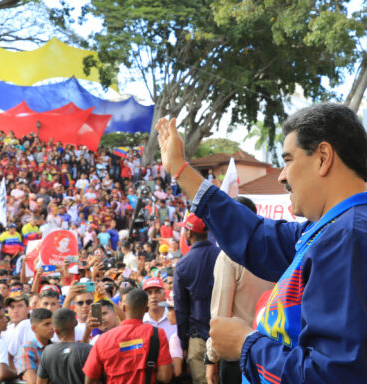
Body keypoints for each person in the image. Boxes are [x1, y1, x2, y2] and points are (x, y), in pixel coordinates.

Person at [155, 103, 367, 383]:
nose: (281, 175)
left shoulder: (347, 237)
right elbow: (255, 236)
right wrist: (181, 169)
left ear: (323, 157)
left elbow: (333, 375)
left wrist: (246, 344)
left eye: (288, 160)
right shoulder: (329, 230)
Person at [205, 197, 275, 384]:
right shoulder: (274, 251)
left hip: (239, 353)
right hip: (270, 352)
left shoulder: (228, 256)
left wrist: (211, 357)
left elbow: (220, 315)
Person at [83, 288, 173, 384]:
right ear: (146, 309)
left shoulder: (103, 340)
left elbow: (90, 380)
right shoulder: (157, 334)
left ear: (124, 308)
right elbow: (165, 377)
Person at [173, 212, 220, 384]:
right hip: (224, 336)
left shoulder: (183, 265)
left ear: (189, 233)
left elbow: (180, 309)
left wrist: (184, 344)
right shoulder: (222, 256)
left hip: (198, 339)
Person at [37, 308, 91, 384]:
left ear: (55, 330)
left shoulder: (47, 351)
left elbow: (40, 382)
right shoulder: (88, 350)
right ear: (76, 323)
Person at [17, 308, 54, 384]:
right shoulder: (27, 349)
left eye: (53, 323)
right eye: (46, 324)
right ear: (34, 328)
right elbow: (33, 382)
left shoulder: (55, 346)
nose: (52, 328)